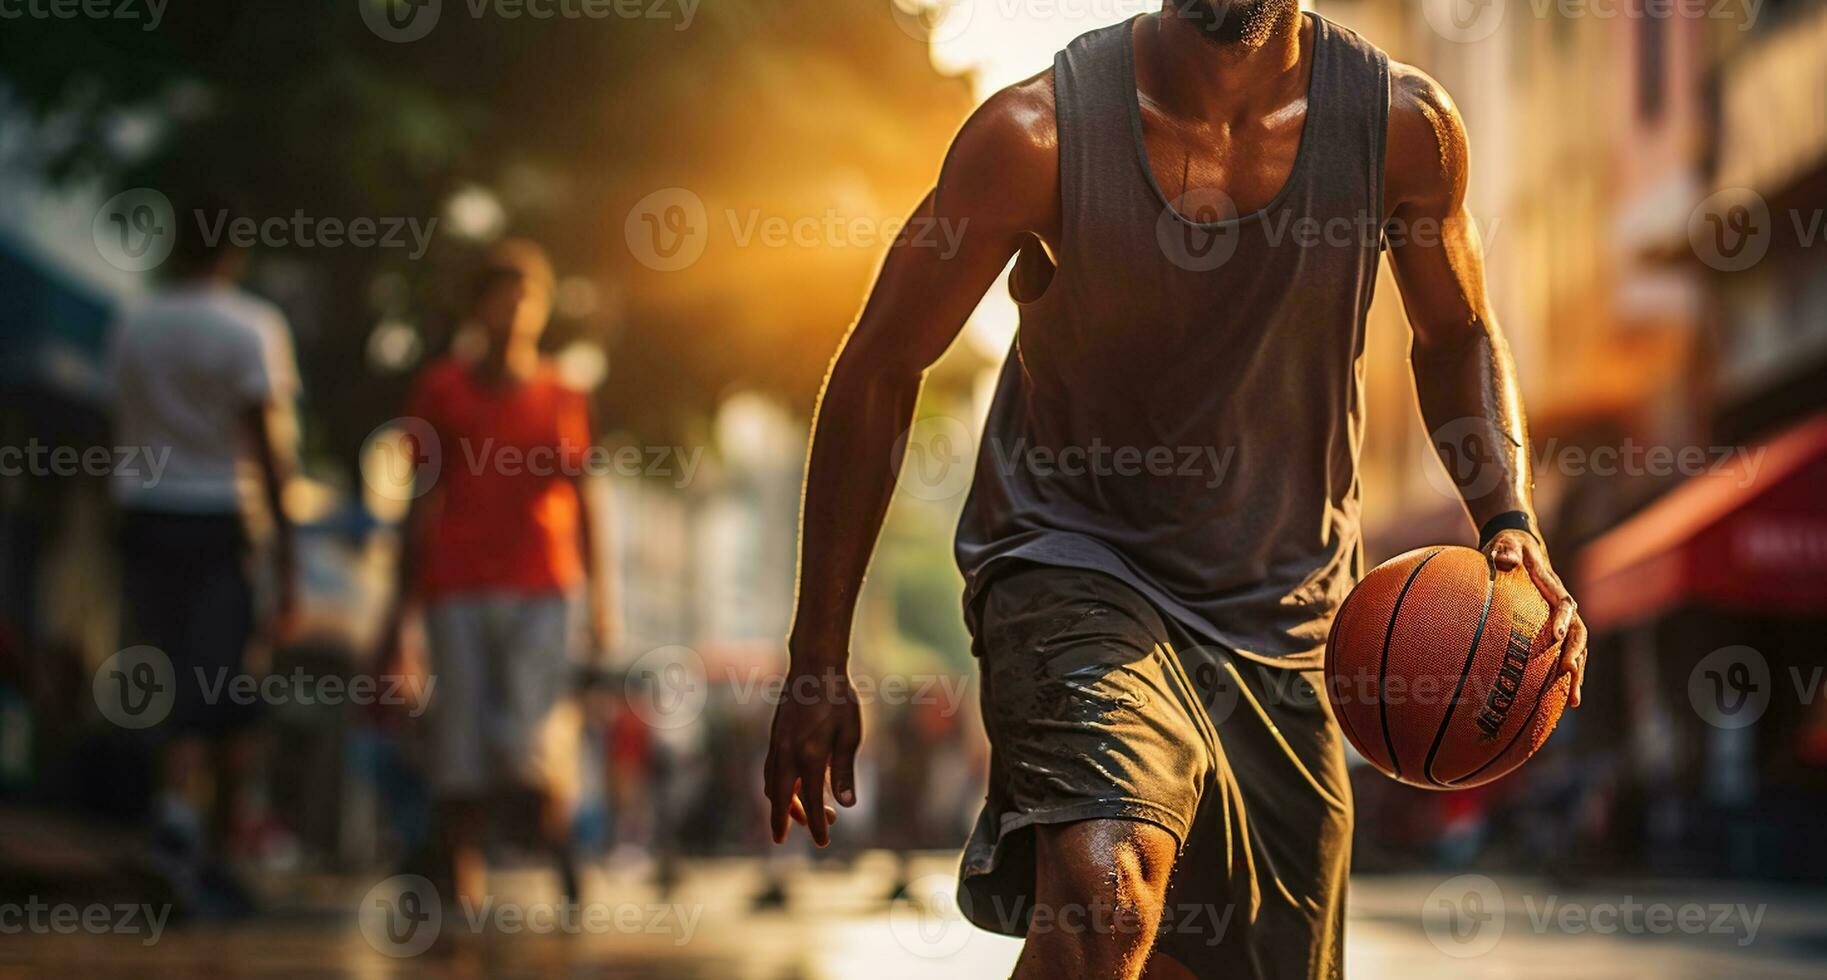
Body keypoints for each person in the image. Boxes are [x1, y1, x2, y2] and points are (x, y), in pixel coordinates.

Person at [764, 3, 1592, 978]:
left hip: (1290, 614)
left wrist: (1510, 520)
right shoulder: (1037, 136)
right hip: (1072, 562)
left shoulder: (1404, 127)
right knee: (1108, 891)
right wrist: (818, 652)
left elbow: (1455, 336)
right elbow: (881, 366)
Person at [379, 240, 614, 910]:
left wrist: (602, 602)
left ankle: (557, 833)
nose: (515, 312)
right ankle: (461, 877)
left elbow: (586, 502)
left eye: (527, 299)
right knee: (458, 743)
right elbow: (418, 502)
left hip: (543, 587)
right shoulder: (440, 390)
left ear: (541, 312)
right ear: (478, 309)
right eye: (502, 297)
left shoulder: (562, 394)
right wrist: (399, 613)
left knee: (524, 742)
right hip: (455, 585)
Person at [109, 194, 300, 911]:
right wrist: (289, 559)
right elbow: (269, 448)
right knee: (221, 687)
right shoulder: (250, 328)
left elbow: (118, 423)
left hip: (144, 517)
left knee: (168, 673)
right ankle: (189, 835)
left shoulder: (133, 323)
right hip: (220, 520)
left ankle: (185, 831)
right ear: (233, 253)